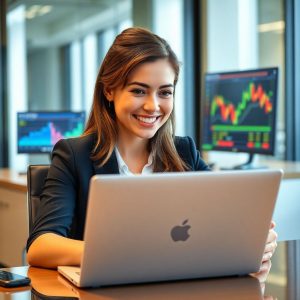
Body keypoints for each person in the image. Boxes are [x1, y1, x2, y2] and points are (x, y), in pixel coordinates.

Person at [26, 27, 277, 282]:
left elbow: (225, 222)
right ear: (109, 91)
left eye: (165, 92)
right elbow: (40, 247)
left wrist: (255, 240)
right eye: (138, 90)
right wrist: (129, 254)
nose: (153, 106)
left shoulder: (184, 153)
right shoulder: (74, 155)